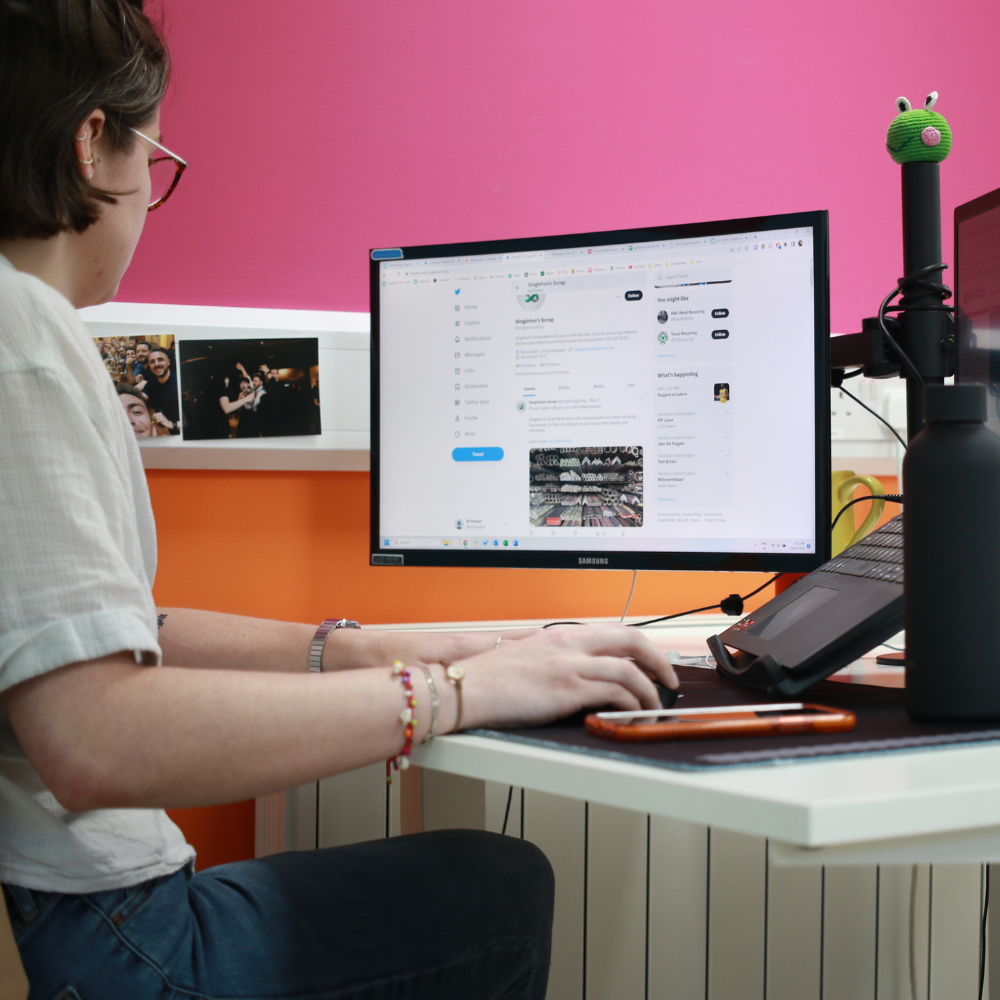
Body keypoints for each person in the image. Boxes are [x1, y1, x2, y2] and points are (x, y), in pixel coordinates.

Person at [0, 2, 677, 998]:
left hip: (55, 914)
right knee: (493, 882)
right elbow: (96, 736)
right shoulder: (24, 331)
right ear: (93, 142)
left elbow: (99, 633)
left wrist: (351, 648)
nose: (149, 193)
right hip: (103, 939)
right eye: (152, 155)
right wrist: (456, 695)